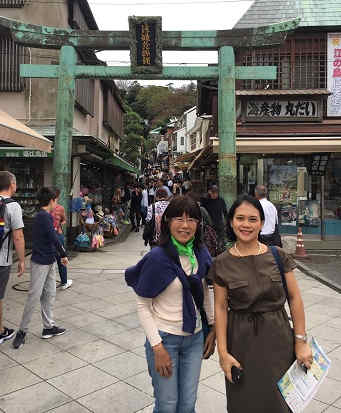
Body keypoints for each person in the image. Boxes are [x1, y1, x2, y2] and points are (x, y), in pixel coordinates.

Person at [210, 195, 313, 413]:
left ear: (262, 223)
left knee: (280, 401)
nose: (246, 225)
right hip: (240, 343)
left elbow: (294, 298)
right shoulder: (221, 263)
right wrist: (223, 352)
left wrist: (301, 341)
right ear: (231, 222)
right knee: (243, 402)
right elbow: (220, 308)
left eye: (252, 219)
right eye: (240, 218)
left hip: (278, 339)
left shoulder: (278, 256)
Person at [126, 196, 216, 413]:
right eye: (179, 218)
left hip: (194, 339)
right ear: (166, 221)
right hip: (165, 338)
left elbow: (204, 290)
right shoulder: (157, 258)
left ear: (198, 223)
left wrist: (212, 327)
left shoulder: (201, 253)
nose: (185, 225)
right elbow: (143, 305)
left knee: (187, 404)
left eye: (191, 219)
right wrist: (157, 347)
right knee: (167, 405)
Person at [13, 187, 69, 349]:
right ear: (51, 201)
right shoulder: (44, 216)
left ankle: (48, 327)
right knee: (34, 296)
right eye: (56, 200)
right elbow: (53, 237)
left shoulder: (42, 215)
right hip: (40, 262)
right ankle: (21, 332)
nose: (56, 203)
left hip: (49, 260)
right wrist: (63, 254)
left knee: (49, 294)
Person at [0, 171, 25, 345]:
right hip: (2, 260)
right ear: (11, 184)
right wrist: (22, 260)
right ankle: (1, 331)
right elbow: (18, 236)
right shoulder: (13, 206)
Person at [51, 188, 72, 290]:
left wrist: (59, 224)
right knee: (59, 259)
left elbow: (64, 220)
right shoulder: (47, 209)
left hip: (56, 235)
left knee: (59, 259)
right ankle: (63, 282)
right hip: (55, 236)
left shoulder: (60, 208)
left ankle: (64, 281)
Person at [200, 185, 228, 252]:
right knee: (211, 240)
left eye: (216, 193)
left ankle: (221, 250)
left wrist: (227, 221)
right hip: (209, 225)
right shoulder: (206, 200)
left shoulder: (220, 200)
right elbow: (202, 210)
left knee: (221, 239)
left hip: (219, 223)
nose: (215, 195)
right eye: (213, 193)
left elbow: (225, 211)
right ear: (210, 192)